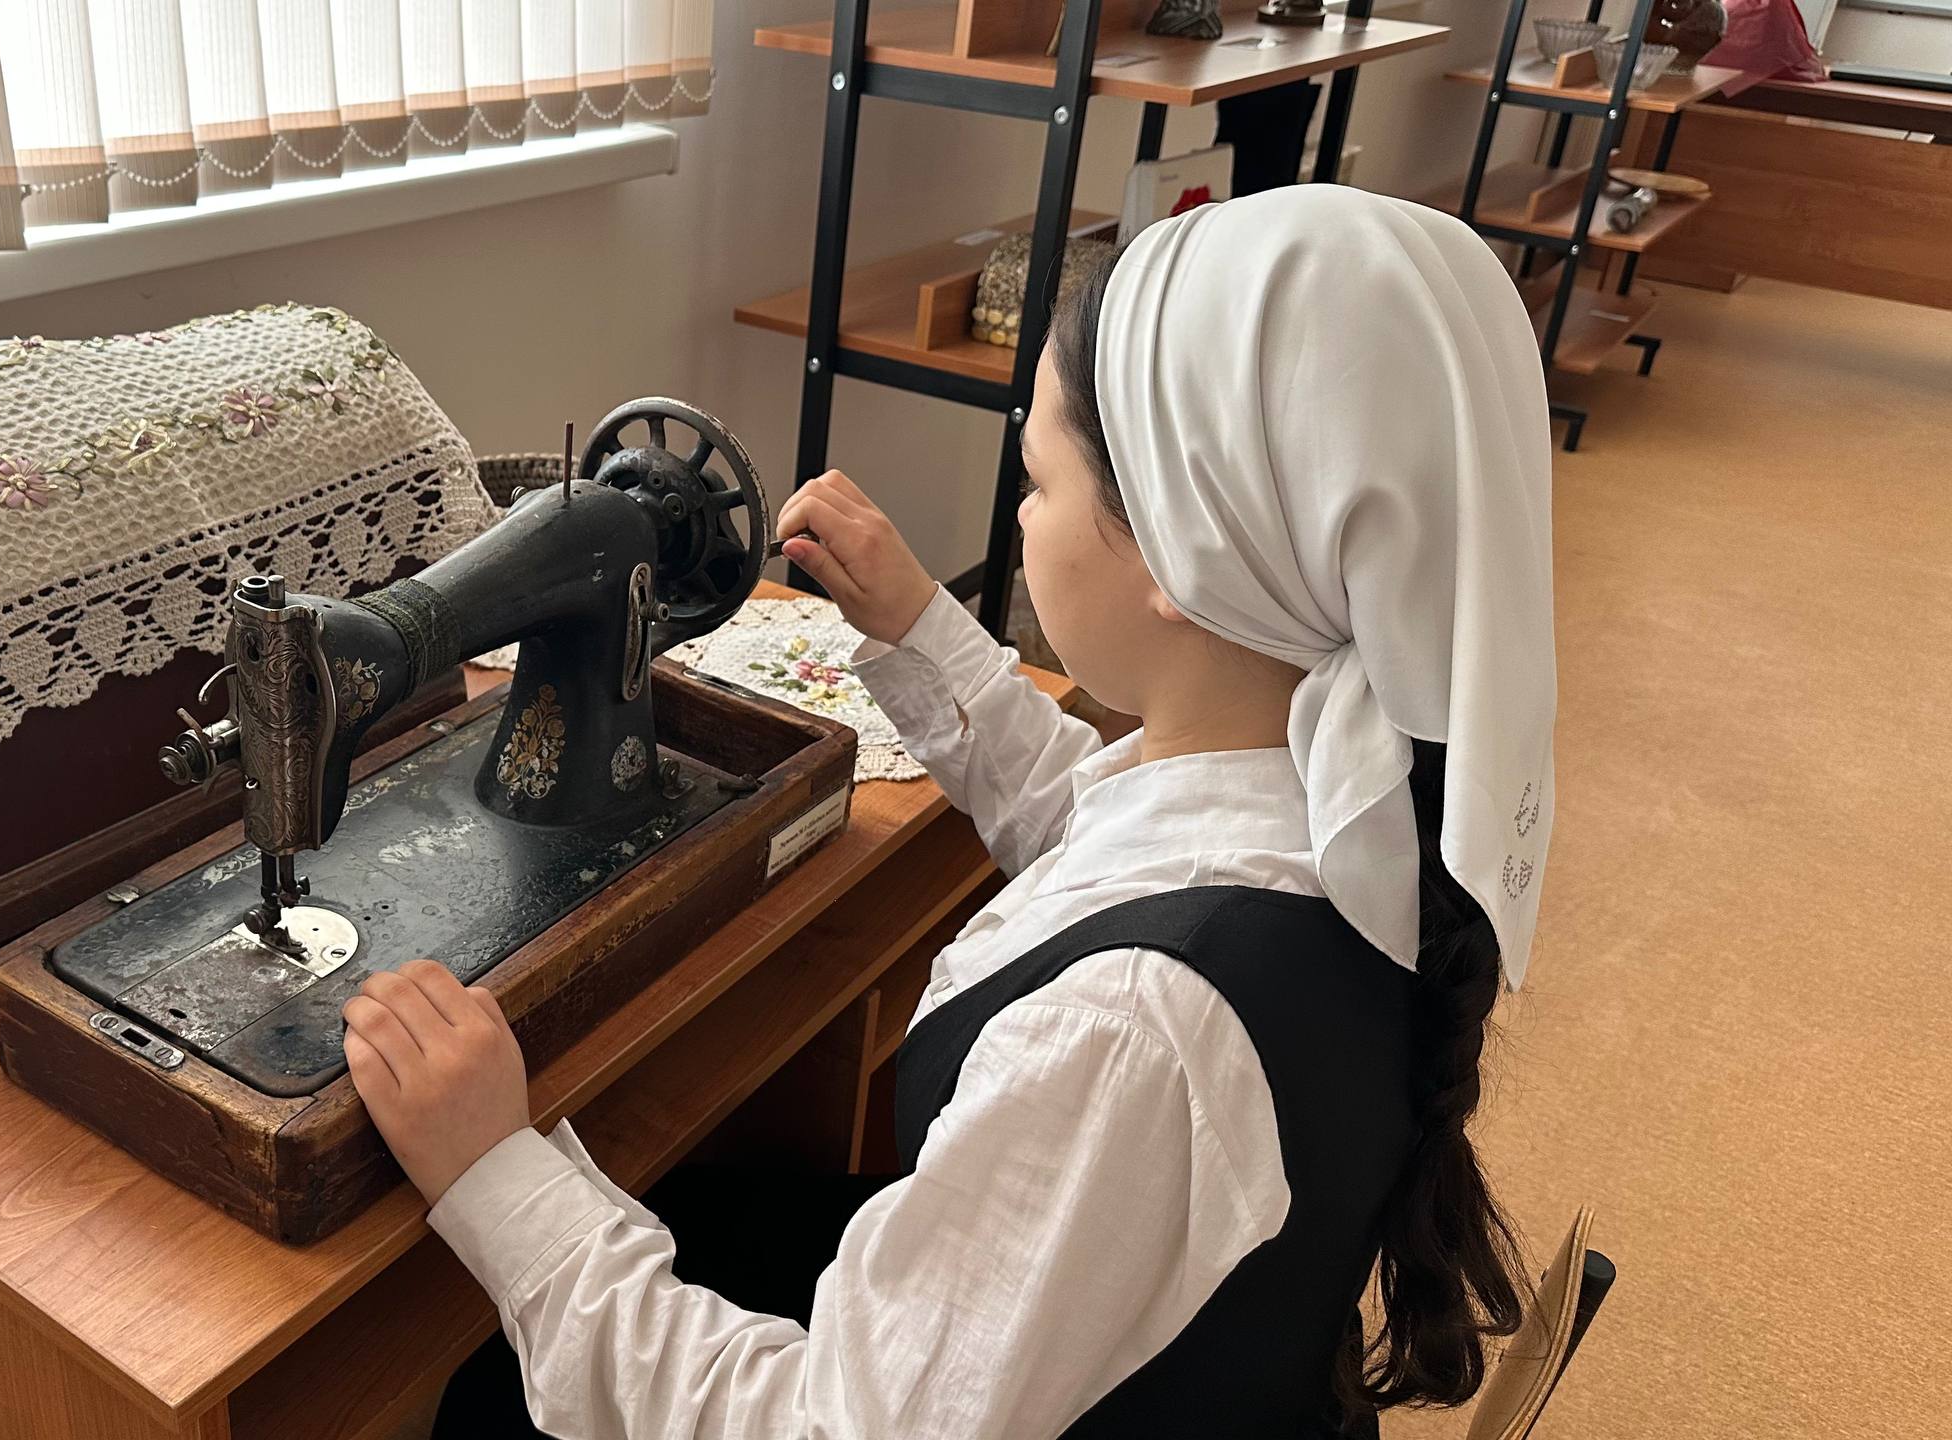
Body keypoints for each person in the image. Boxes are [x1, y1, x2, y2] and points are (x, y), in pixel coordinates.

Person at [338, 184, 1559, 1439]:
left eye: (1036, 480)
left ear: (1181, 554)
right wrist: (921, 627)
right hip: (1200, 1365)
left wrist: (495, 1175)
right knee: (720, 1195)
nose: (1020, 514)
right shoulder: (1349, 792)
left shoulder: (1130, 1031)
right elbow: (1109, 845)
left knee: (484, 1397)